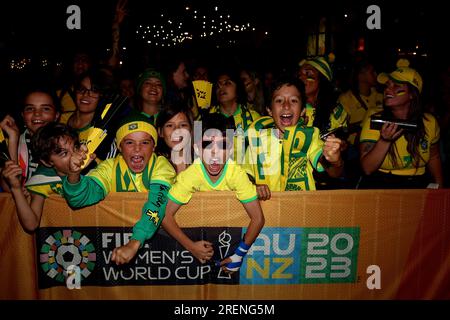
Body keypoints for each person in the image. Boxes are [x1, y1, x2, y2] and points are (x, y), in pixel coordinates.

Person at [112, 113, 265, 272]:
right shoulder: (191, 175)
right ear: (197, 148)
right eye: (207, 145)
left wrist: (239, 254)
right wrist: (191, 247)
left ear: (232, 148)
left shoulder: (236, 174)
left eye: (223, 145)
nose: (215, 153)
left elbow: (258, 218)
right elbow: (164, 215)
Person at [62, 112, 176, 260]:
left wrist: (134, 242)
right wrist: (73, 175)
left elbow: (157, 204)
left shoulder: (161, 166)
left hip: (161, 249)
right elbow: (78, 199)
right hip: (118, 248)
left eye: (145, 142)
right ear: (119, 146)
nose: (137, 149)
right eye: (129, 142)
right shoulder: (110, 168)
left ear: (154, 146)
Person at [244, 78, 344, 200]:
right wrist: (255, 185)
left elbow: (334, 173)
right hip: (267, 211)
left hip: (301, 209)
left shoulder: (310, 136)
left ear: (302, 111)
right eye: (279, 100)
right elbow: (246, 174)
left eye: (293, 100)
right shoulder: (257, 138)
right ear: (269, 110)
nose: (286, 105)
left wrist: (335, 161)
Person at [359, 59, 443, 189]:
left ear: (412, 95)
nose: (388, 90)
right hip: (383, 184)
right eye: (387, 85)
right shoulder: (375, 118)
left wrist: (439, 187)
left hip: (418, 184)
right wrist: (385, 140)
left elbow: (434, 156)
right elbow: (367, 168)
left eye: (396, 86)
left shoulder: (429, 122)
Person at [1, 123, 80, 232]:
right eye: (64, 153)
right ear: (47, 162)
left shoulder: (91, 167)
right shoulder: (42, 180)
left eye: (76, 148)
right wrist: (16, 189)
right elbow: (31, 224)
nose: (75, 155)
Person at [0, 87, 61, 184]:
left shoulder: (66, 144)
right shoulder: (11, 142)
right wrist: (13, 139)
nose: (37, 114)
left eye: (45, 109)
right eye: (30, 108)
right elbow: (9, 186)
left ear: (56, 115)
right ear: (23, 115)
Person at [154, 102, 194, 174]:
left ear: (191, 131)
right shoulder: (153, 166)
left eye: (183, 125)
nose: (176, 130)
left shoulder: (203, 163)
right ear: (160, 132)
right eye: (170, 125)